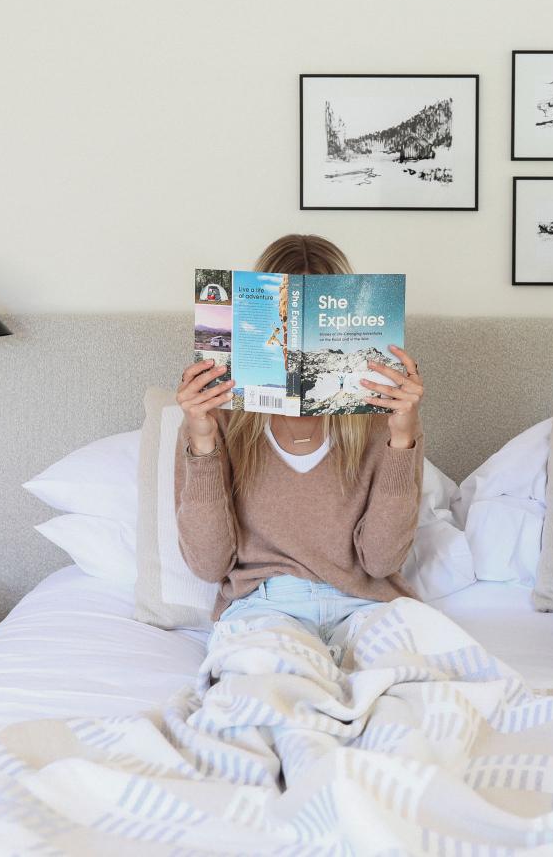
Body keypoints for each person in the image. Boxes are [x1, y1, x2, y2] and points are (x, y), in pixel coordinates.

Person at [174, 234, 426, 666]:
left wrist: (402, 439)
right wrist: (201, 442)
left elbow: (382, 561)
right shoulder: (220, 420)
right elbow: (209, 564)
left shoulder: (382, 415)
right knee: (274, 700)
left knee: (416, 697)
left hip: (367, 604)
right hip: (265, 609)